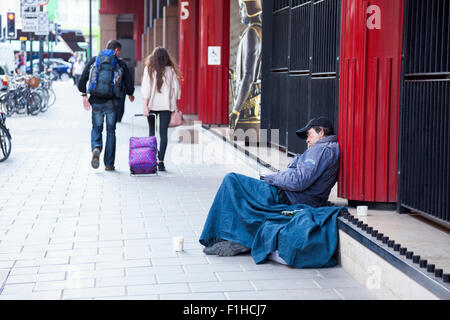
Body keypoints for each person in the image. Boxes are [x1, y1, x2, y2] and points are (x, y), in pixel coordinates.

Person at [200, 116, 340, 258]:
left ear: (321, 132)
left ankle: (218, 236)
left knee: (232, 181)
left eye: (309, 134)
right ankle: (232, 237)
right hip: (292, 194)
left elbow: (298, 180)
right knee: (236, 187)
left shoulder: (321, 149)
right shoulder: (328, 149)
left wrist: (270, 178)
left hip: (287, 196)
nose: (307, 140)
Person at [77, 40, 135, 171]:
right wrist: (130, 94)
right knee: (111, 132)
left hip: (96, 102)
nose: (120, 54)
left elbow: (82, 81)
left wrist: (84, 95)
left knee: (97, 128)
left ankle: (96, 147)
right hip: (113, 103)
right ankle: (109, 164)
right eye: (119, 51)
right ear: (116, 50)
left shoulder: (94, 60)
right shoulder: (120, 64)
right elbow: (129, 85)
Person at [141, 47, 181, 172]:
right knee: (163, 134)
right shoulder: (171, 71)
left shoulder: (149, 69)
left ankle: (151, 160)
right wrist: (175, 105)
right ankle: (161, 162)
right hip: (166, 107)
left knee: (151, 133)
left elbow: (146, 89)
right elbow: (176, 90)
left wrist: (145, 105)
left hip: (151, 106)